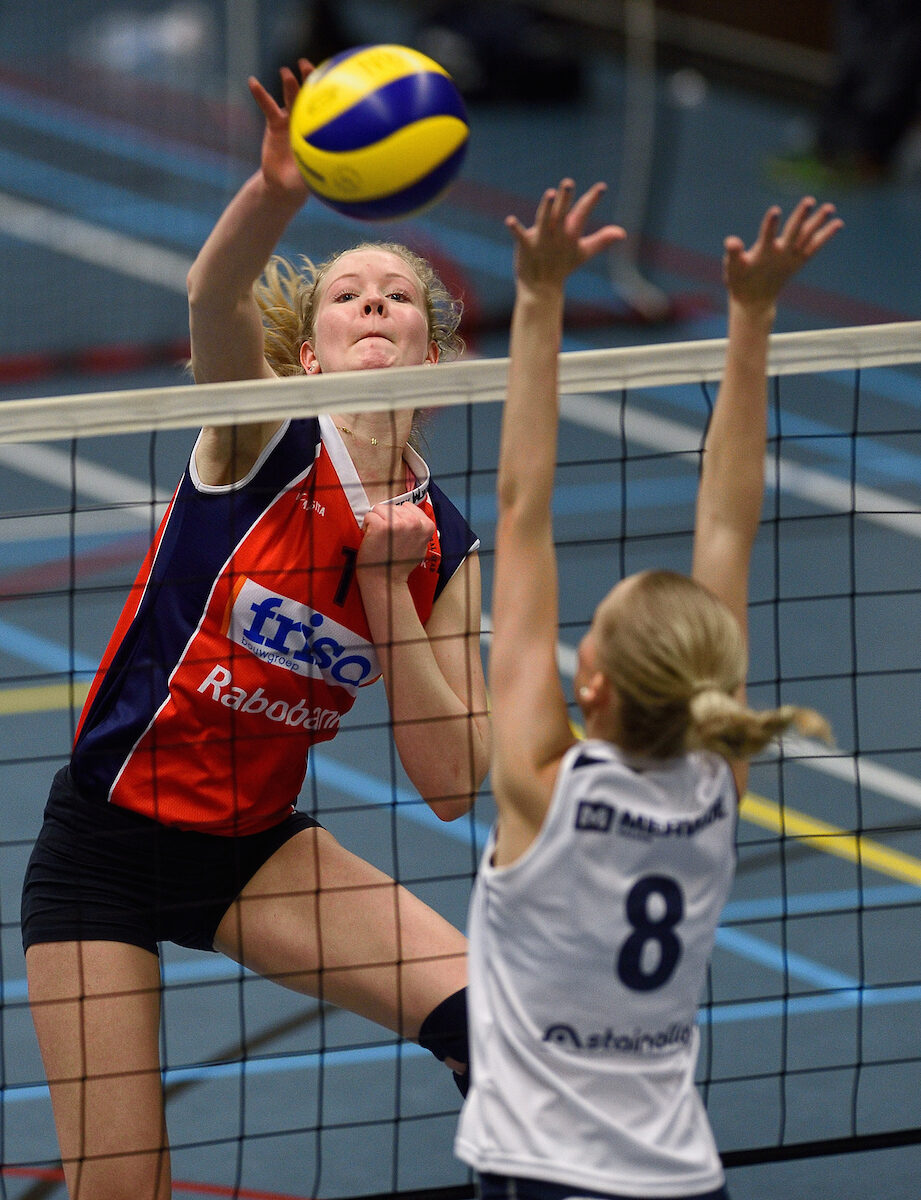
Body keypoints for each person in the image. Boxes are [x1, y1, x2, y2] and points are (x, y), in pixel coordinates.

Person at [21, 61, 490, 1200]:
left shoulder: (444, 543)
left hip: (255, 852)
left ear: (432, 362)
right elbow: (212, 298)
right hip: (103, 850)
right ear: (309, 355)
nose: (371, 302)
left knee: (504, 1033)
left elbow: (451, 784)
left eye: (397, 297)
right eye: (346, 293)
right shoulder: (261, 438)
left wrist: (389, 589)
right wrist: (278, 191)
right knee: (121, 1189)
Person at [454, 182, 841, 1200]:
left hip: (545, 1176)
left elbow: (521, 509)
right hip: (681, 1179)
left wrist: (537, 297)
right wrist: (752, 318)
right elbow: (728, 527)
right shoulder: (716, 785)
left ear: (591, 685)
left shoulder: (548, 790)